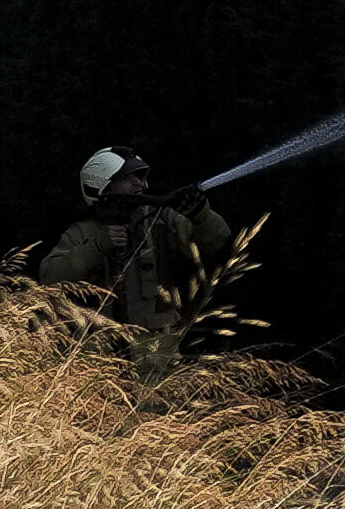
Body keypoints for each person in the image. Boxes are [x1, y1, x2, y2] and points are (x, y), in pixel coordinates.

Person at [36, 145, 238, 357]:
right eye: (127, 177)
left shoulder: (161, 222)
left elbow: (218, 244)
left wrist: (201, 216)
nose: (138, 183)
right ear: (102, 185)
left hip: (154, 354)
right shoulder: (83, 233)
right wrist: (96, 247)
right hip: (98, 354)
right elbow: (50, 277)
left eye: (139, 176)